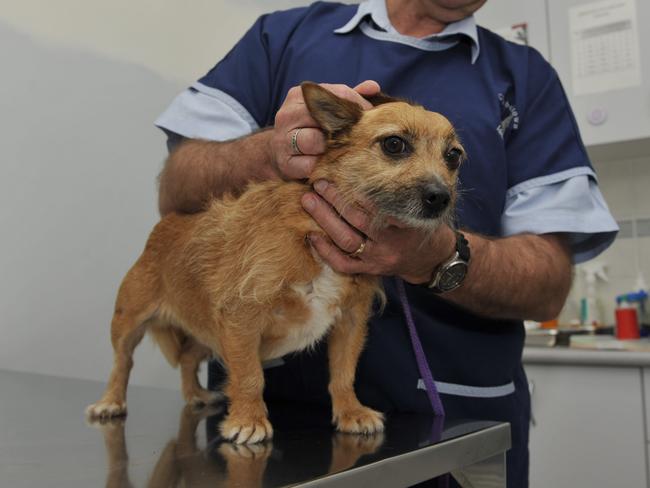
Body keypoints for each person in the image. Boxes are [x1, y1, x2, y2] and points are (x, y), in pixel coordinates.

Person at [154, 0, 619, 486]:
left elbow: (548, 286)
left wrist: (440, 257)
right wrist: (268, 153)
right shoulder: (282, 37)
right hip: (271, 427)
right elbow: (177, 185)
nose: (437, 180)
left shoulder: (525, 76)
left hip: (458, 430)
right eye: (395, 147)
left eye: (452, 159)